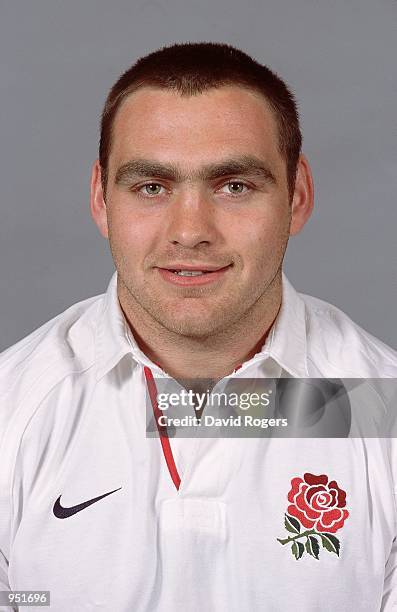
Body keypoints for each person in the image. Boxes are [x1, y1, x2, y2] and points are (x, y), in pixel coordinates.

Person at [0, 41, 396, 612]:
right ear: (100, 199)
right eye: (151, 187)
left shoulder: (384, 409)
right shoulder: (14, 409)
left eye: (234, 186)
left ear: (298, 196)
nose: (190, 231)